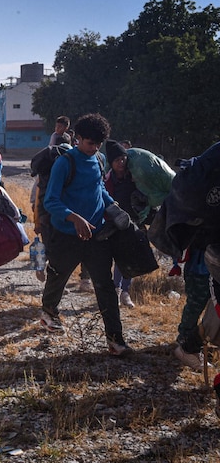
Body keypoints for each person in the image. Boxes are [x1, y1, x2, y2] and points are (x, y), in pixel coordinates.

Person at [39, 113, 133, 356]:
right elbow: (50, 201)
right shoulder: (65, 163)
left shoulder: (100, 159)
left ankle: (116, 341)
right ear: (78, 139)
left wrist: (113, 207)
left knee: (105, 288)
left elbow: (99, 188)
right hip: (66, 235)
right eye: (91, 143)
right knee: (57, 278)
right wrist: (73, 217)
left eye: (99, 143)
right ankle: (48, 311)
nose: (95, 148)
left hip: (96, 236)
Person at [103, 140, 138, 308]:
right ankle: (116, 290)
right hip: (114, 225)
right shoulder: (108, 181)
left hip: (133, 223)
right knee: (118, 259)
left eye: (123, 159)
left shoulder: (133, 178)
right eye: (117, 160)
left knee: (130, 258)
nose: (121, 163)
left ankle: (125, 292)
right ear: (111, 163)